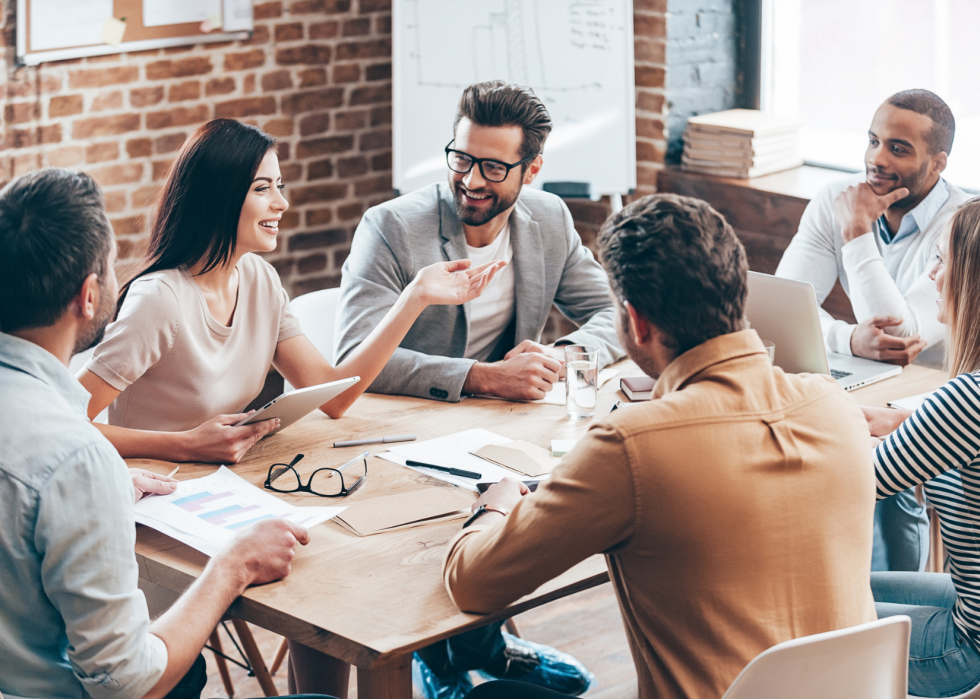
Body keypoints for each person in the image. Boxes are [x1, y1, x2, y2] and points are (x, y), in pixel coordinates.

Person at [443, 194, 878, 699]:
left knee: (490, 696)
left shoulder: (633, 445)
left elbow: (472, 585)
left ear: (637, 322)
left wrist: (494, 506)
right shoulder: (836, 408)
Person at [0, 168, 332, 699]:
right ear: (89, 296)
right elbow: (129, 686)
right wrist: (233, 565)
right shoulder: (76, 458)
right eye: (111, 270)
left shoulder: (67, 461)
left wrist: (91, 495)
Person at [76, 118, 502, 465]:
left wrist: (415, 297)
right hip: (150, 490)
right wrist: (186, 444)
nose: (281, 203)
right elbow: (69, 424)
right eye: (262, 189)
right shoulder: (160, 300)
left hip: (222, 481)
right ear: (217, 201)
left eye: (279, 186)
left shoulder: (259, 279)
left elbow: (334, 396)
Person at [334, 80, 624, 403]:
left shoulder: (550, 219)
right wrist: (484, 377)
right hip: (410, 417)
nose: (472, 180)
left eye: (493, 167)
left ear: (531, 171)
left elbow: (616, 312)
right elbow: (353, 359)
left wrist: (557, 356)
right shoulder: (390, 228)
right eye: (461, 159)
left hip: (504, 420)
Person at [776, 89, 969, 574]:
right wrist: (846, 339)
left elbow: (901, 335)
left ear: (938, 162)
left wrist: (858, 232)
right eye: (873, 141)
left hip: (942, 399)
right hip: (873, 387)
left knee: (879, 471)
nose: (877, 159)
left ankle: (887, 606)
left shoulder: (963, 226)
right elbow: (783, 308)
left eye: (899, 148)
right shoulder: (837, 201)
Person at [861, 197, 980, 696]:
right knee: (839, 587)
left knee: (792, 609)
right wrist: (905, 422)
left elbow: (852, 484)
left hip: (966, 642)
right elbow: (928, 428)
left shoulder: (966, 401)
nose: (932, 276)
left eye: (941, 260)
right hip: (968, 602)